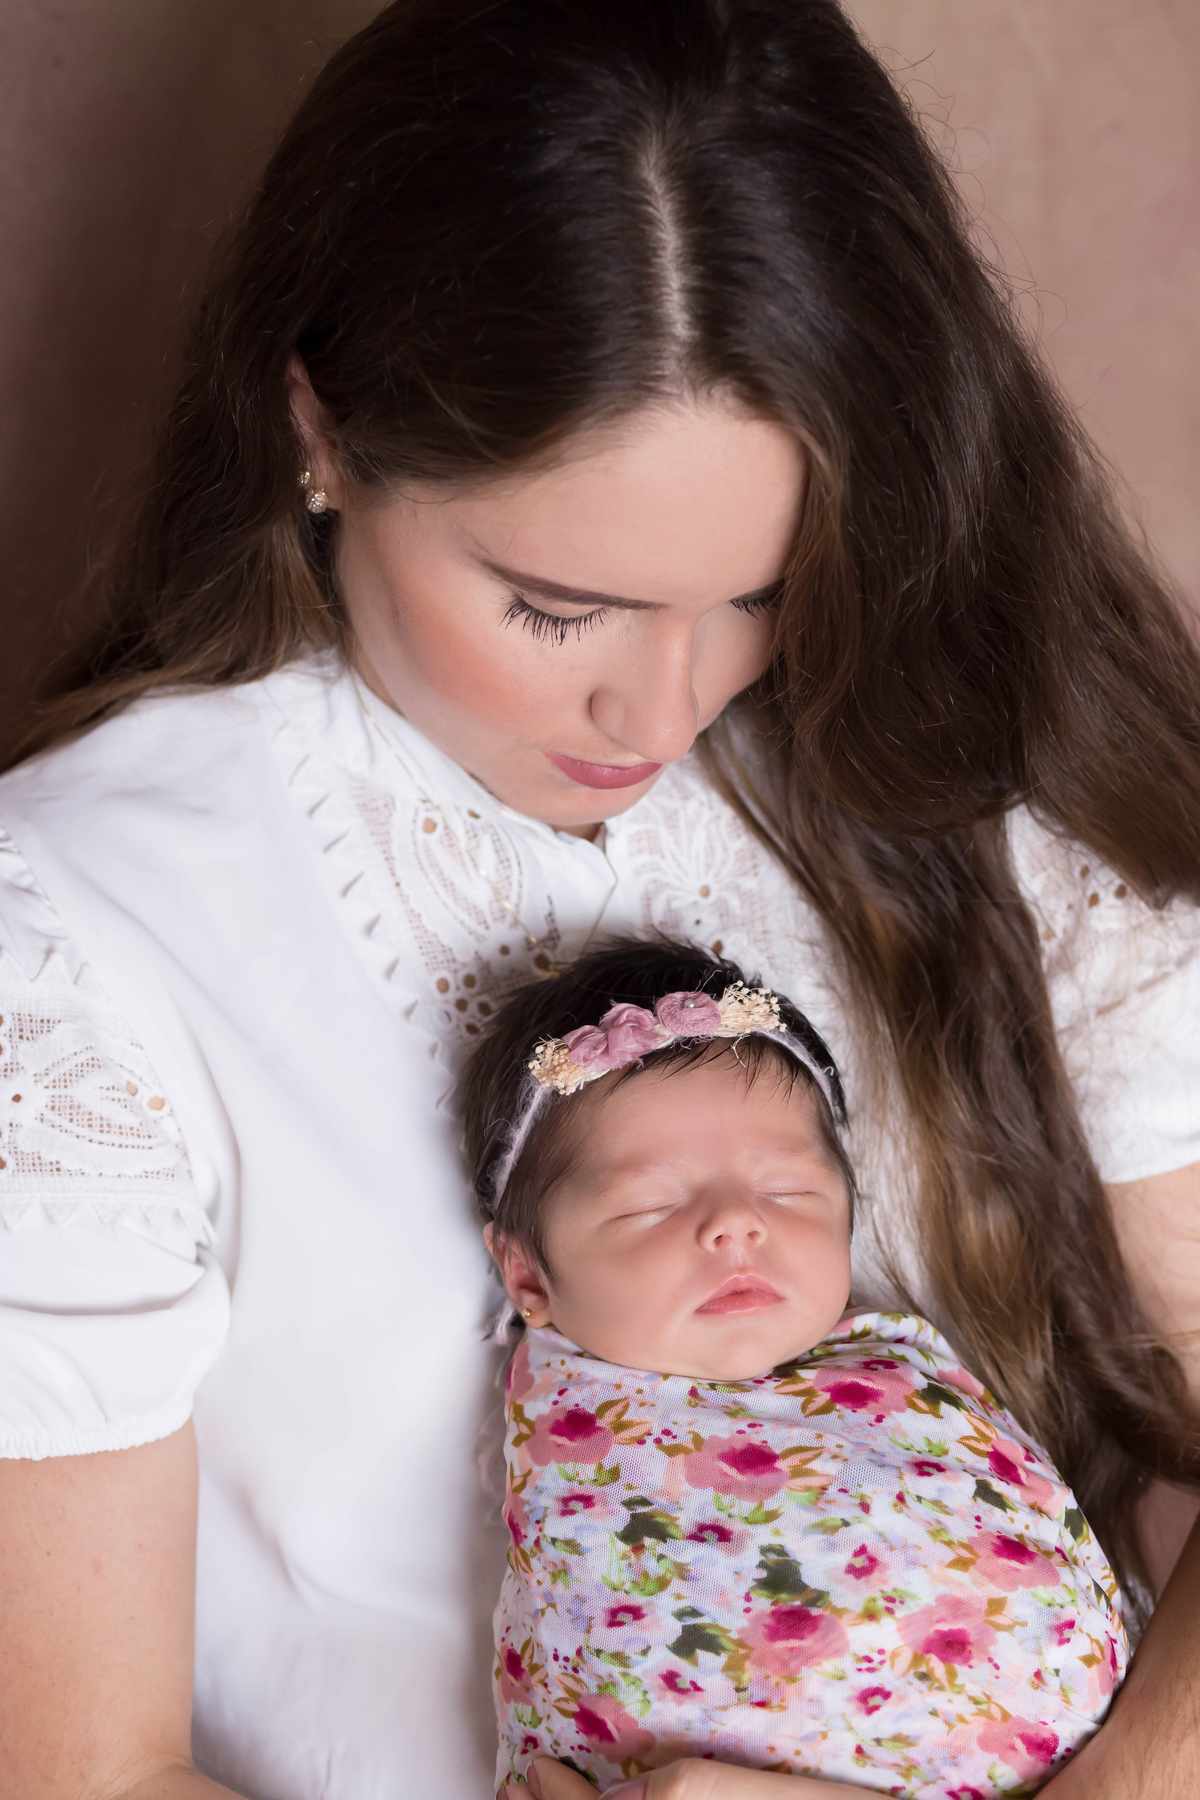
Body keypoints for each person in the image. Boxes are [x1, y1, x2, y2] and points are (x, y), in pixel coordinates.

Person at [0, 3, 1197, 1798]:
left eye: (760, 593)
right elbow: (79, 1778)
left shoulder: (935, 742)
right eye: (558, 608)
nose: (664, 713)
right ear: (314, 425)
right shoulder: (77, 932)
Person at [465, 940, 1127, 1797]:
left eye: (787, 1190)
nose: (737, 1224)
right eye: (651, 1203)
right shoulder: (589, 1442)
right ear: (526, 1275)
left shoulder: (898, 1383)